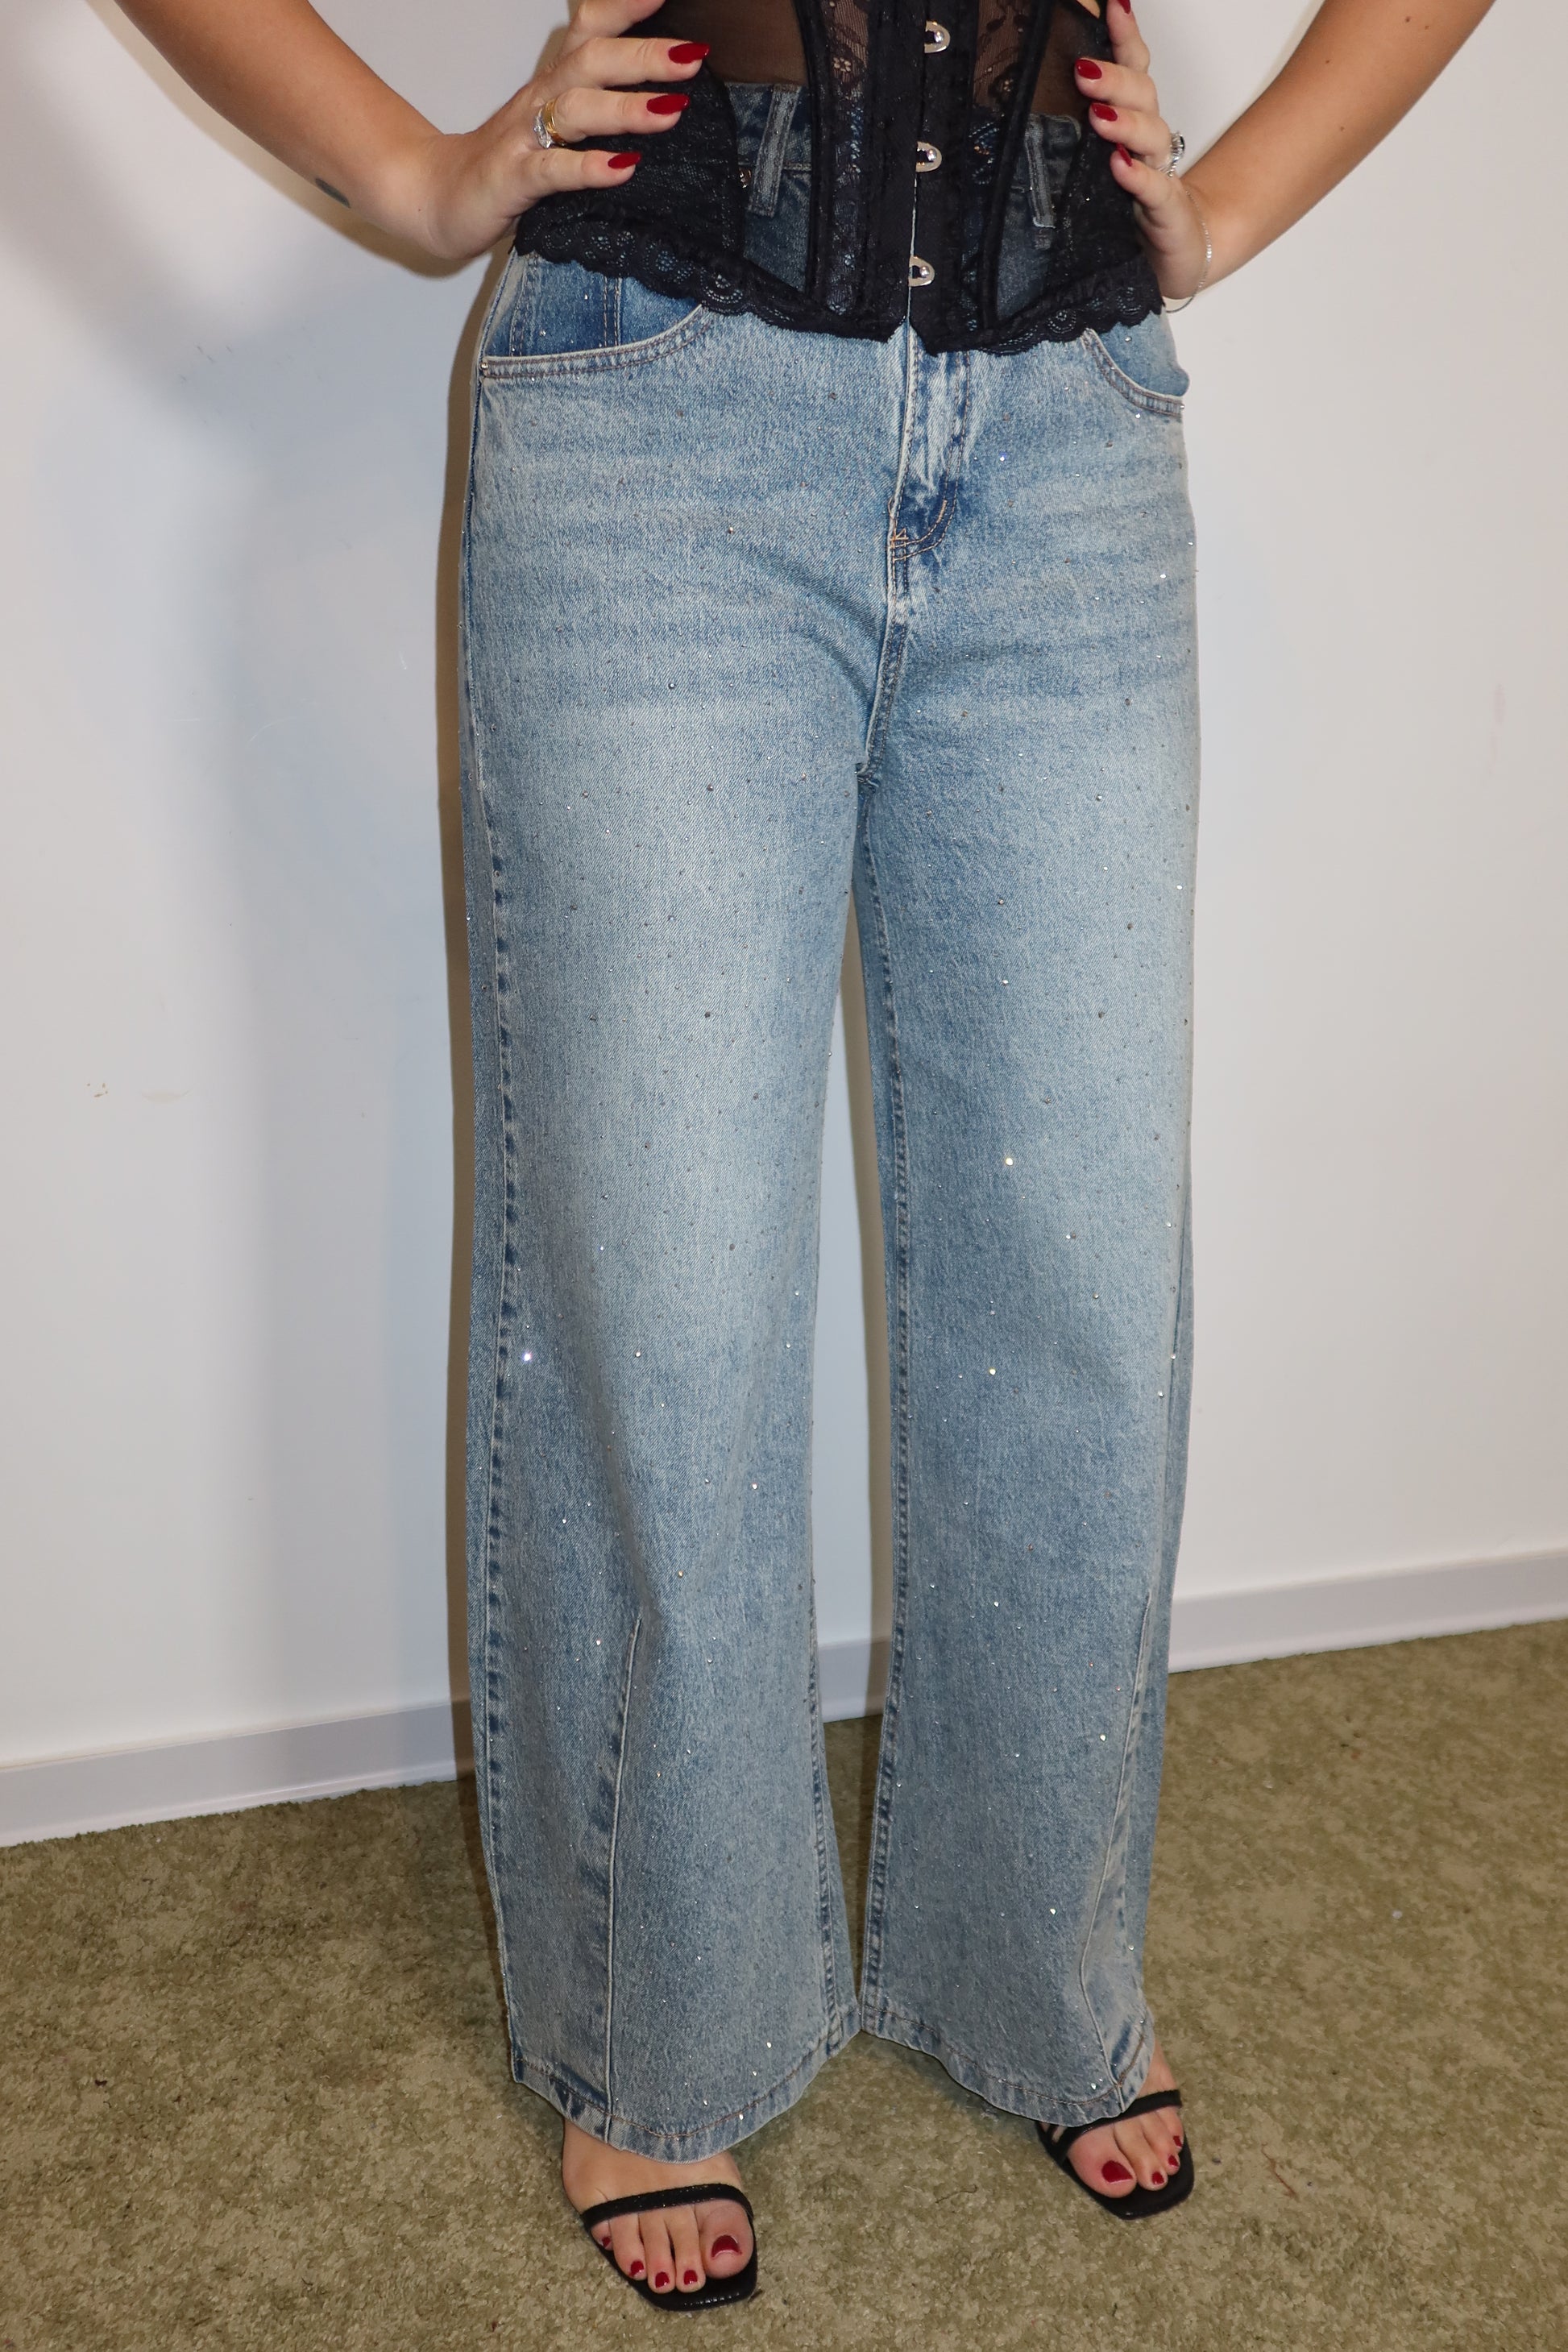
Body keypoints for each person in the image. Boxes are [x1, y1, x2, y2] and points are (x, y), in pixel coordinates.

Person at [117, 0, 1494, 2311]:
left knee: (1077, 1284)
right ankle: (657, 2031)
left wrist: (1230, 204)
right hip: (660, 415)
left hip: (1069, 431)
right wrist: (424, 177)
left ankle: (1036, 1968)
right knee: (663, 1294)